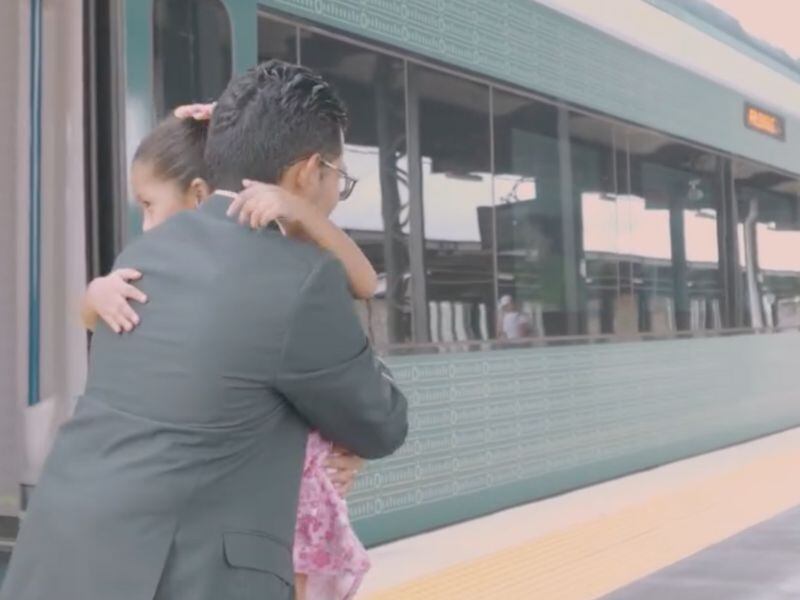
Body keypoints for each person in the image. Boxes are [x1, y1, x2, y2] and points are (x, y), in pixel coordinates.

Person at [0, 60, 408, 600]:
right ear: (309, 173)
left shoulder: (144, 254)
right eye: (339, 177)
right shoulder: (298, 277)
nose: (336, 190)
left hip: (58, 558)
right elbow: (381, 423)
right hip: (177, 579)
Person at [81, 102, 376, 599]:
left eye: (149, 205)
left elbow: (364, 283)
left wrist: (299, 212)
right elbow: (103, 328)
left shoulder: (278, 258)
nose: (146, 227)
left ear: (201, 194)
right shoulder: (151, 275)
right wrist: (95, 294)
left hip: (285, 483)